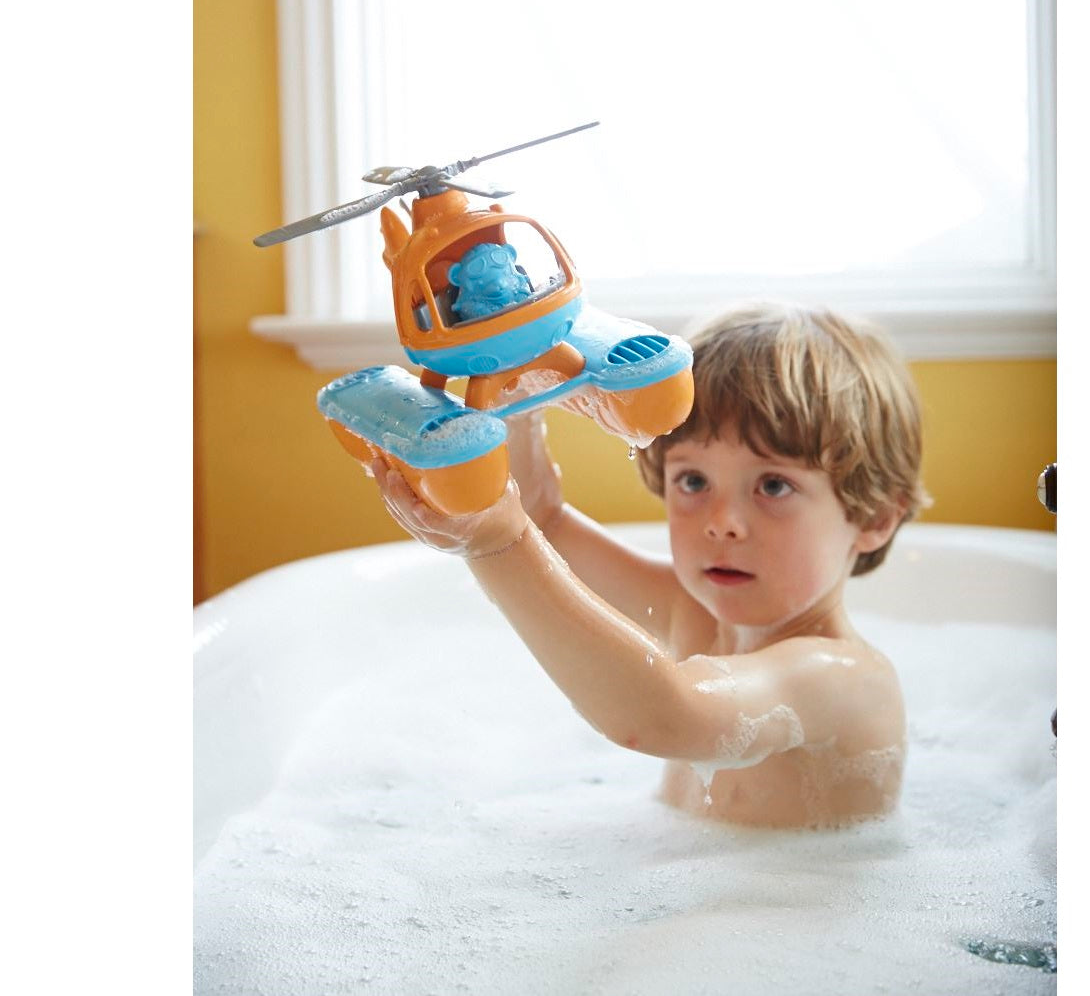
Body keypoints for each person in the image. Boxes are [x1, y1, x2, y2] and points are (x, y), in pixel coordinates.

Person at [369, 302, 929, 828]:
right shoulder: (696, 612)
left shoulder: (842, 679)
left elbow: (661, 717)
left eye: (774, 486)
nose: (722, 522)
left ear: (875, 517)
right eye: (694, 481)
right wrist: (514, 384)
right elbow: (543, 519)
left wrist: (496, 542)